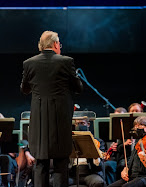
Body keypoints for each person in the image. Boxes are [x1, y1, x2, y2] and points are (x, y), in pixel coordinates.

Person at [20, 31, 83, 186]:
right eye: (59, 44)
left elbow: (24, 89)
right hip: (60, 121)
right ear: (55, 44)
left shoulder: (29, 63)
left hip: (39, 123)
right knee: (61, 163)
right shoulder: (66, 61)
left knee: (41, 164)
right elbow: (78, 88)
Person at [108, 116, 146, 187]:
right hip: (132, 176)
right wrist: (125, 170)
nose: (136, 128)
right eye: (135, 126)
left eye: (139, 125)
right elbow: (130, 160)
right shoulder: (138, 141)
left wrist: (144, 158)